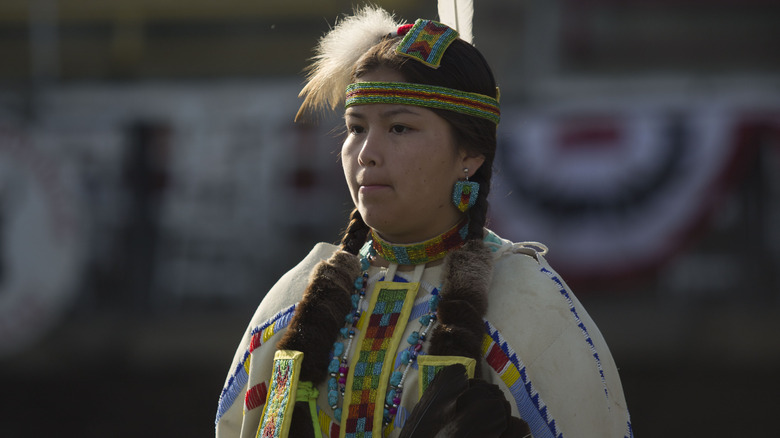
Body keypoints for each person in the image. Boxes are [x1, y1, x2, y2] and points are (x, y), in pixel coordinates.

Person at [215, 6, 632, 438]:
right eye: (356, 128)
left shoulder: (528, 306)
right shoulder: (291, 304)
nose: (366, 153)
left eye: (399, 129)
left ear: (469, 155)